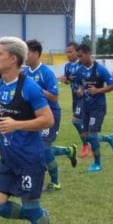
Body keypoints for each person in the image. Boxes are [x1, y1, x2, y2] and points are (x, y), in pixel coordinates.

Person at [0, 36, 61, 224]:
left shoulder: (29, 87)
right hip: (8, 158)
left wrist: (17, 125)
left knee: (31, 205)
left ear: (13, 59)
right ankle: (39, 218)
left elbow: (47, 120)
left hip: (29, 158)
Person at [23, 39, 77, 191]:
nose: (24, 56)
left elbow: (54, 96)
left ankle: (55, 182)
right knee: (35, 147)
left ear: (35, 53)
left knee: (44, 148)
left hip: (50, 114)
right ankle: (68, 151)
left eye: (26, 52)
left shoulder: (46, 72)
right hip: (32, 115)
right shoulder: (25, 73)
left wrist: (36, 91)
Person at [75, 43, 113, 172]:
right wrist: (79, 90)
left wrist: (98, 90)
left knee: (92, 136)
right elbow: (80, 85)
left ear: (88, 54)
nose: (79, 59)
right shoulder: (80, 70)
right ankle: (109, 138)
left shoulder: (100, 69)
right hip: (86, 106)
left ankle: (97, 163)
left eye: (81, 56)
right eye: (78, 56)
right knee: (86, 136)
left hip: (98, 107)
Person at [59, 42, 91, 158]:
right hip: (75, 98)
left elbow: (89, 79)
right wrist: (65, 80)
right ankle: (99, 141)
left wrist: (82, 88)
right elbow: (68, 80)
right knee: (83, 122)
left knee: (76, 121)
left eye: (70, 51)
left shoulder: (83, 65)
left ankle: (86, 145)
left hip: (85, 97)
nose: (68, 54)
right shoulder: (67, 66)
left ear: (77, 52)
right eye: (67, 52)